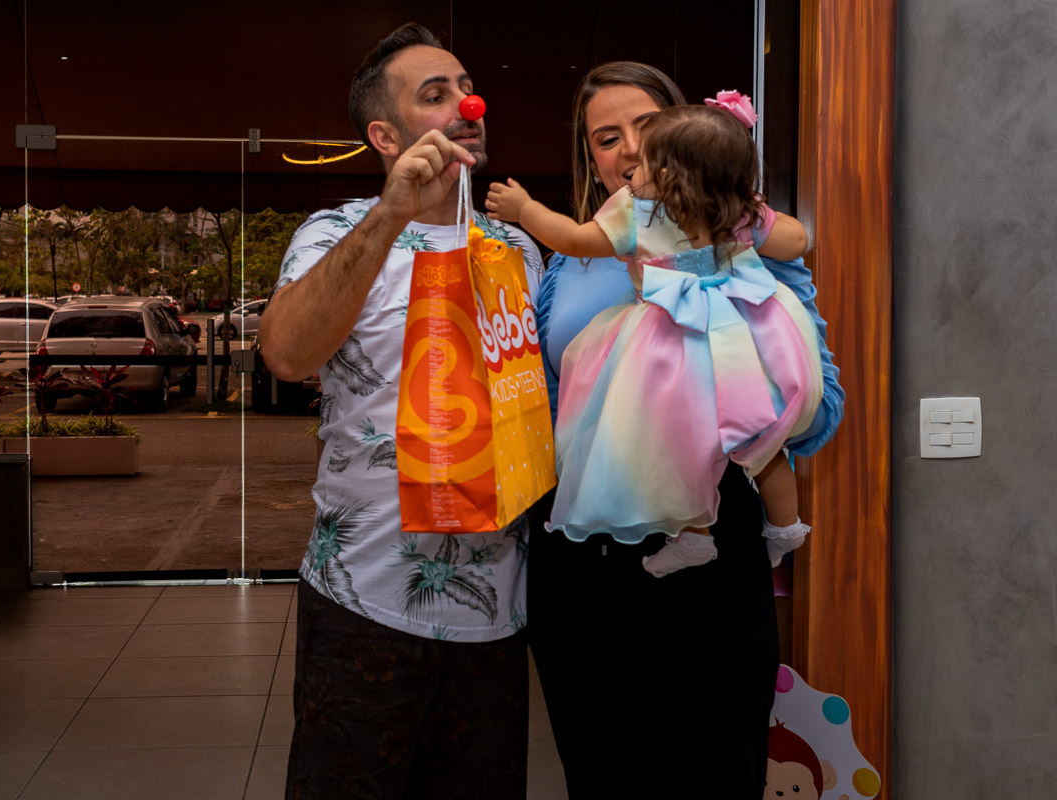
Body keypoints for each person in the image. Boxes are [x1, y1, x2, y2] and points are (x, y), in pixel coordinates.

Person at [514, 62, 845, 798]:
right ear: (591, 159)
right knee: (603, 773)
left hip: (710, 548)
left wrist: (733, 400)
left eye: (646, 126)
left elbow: (818, 408)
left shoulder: (742, 237)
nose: (630, 149)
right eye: (607, 138)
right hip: (584, 557)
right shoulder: (567, 263)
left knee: (716, 770)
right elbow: (546, 407)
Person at [258, 22, 544, 800]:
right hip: (366, 594)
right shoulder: (334, 232)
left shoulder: (519, 249)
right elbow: (285, 354)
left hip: (497, 604)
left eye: (467, 88)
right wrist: (389, 217)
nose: (467, 105)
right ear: (386, 136)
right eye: (436, 94)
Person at [486, 97, 822, 578]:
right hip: (736, 343)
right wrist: (754, 210)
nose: (633, 164)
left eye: (645, 157)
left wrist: (526, 210)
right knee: (762, 444)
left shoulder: (638, 214)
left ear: (668, 173)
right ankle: (786, 526)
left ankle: (694, 536)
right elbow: (795, 241)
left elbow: (572, 239)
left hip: (671, 346)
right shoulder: (732, 208)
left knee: (676, 443)